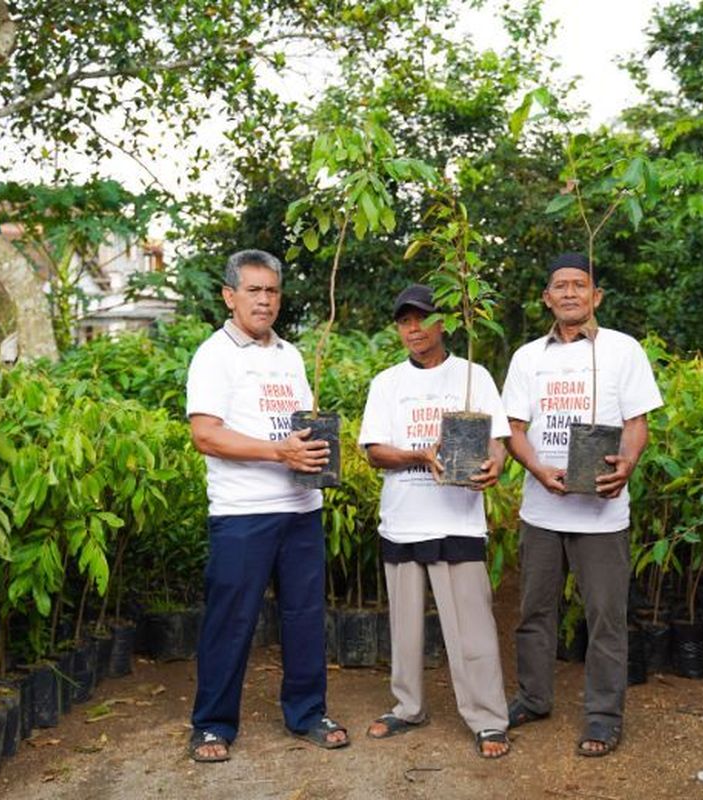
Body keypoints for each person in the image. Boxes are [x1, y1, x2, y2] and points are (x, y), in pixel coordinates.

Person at [185, 249, 349, 762]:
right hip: (242, 513)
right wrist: (277, 451)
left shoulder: (290, 356)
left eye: (272, 291)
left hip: (301, 508)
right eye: (253, 291)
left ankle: (307, 712)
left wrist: (313, 453)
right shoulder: (215, 355)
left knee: (304, 615)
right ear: (230, 296)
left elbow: (298, 425)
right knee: (231, 620)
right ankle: (212, 725)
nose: (264, 300)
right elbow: (205, 435)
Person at [500, 252, 663, 757]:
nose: (569, 293)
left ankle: (602, 716)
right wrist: (536, 468)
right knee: (534, 611)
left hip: (603, 514)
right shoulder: (529, 357)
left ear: (596, 297)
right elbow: (513, 430)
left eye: (579, 285)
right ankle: (533, 696)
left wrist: (627, 465)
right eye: (560, 286)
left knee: (606, 618)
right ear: (547, 298)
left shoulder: (622, 350)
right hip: (542, 512)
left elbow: (638, 422)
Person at [357, 284, 512, 759]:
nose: (413, 330)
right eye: (404, 321)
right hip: (403, 520)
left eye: (421, 319)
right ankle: (408, 708)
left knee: (473, 629)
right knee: (405, 630)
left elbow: (498, 440)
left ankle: (488, 719)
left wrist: (494, 466)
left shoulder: (473, 377)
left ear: (443, 322)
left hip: (459, 522)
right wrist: (419, 456)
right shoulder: (387, 383)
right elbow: (374, 452)